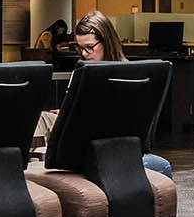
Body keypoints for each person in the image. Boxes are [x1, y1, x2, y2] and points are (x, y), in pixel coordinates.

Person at [36, 11, 126, 139]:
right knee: (40, 118)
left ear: (106, 42)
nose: (84, 53)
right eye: (80, 48)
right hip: (82, 123)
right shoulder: (82, 71)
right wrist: (68, 113)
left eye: (89, 47)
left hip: (100, 130)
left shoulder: (125, 73)